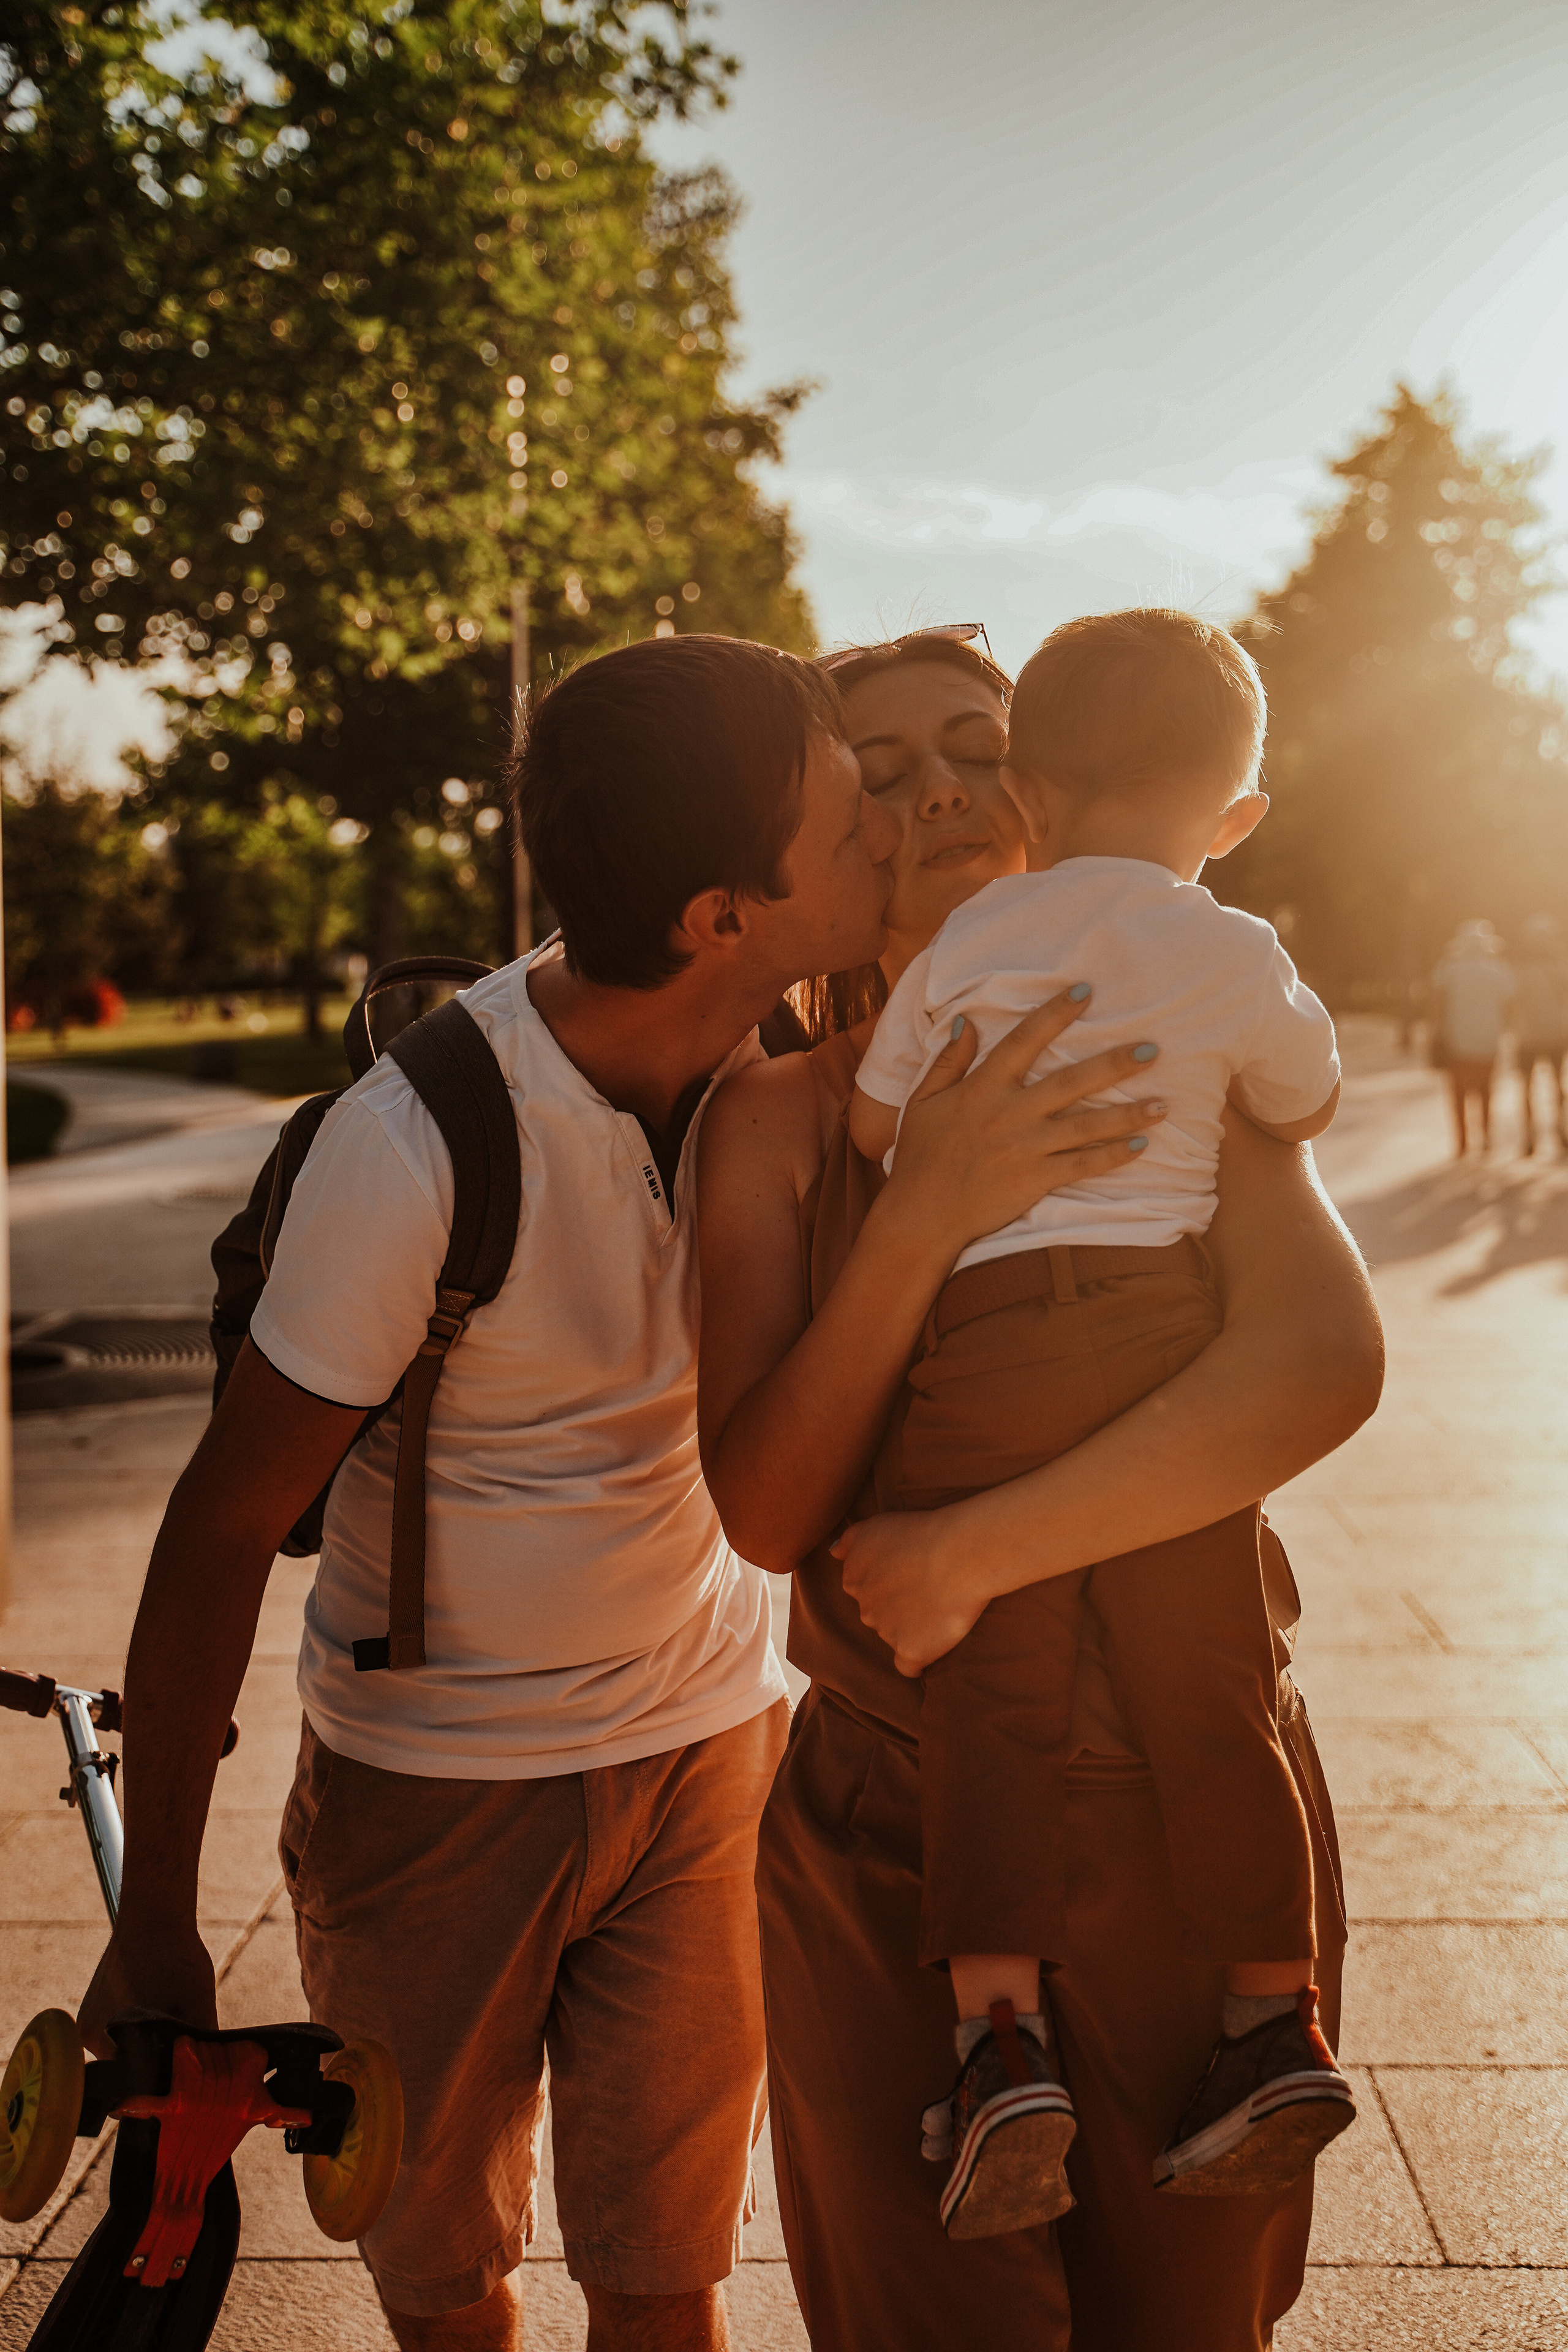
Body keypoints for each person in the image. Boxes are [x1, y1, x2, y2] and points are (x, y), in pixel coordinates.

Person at [76, 633, 1140, 2352]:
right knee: (454, 2286)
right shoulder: (420, 1146)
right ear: (728, 914)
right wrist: (156, 1929)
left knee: (667, 2281)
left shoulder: (800, 1044)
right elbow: (215, 1528)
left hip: (704, 1756)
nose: (890, 828)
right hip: (439, 1801)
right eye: (847, 811)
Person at [697, 627, 1383, 2351]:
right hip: (890, 1829)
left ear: (1042, 792)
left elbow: (1321, 1364)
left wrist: (978, 1548)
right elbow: (771, 1515)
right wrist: (929, 1207)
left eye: (971, 745)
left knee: (1192, 2325)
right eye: (882, 764)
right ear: (829, 825)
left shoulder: (1162, 1050)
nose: (937, 788)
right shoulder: (780, 1122)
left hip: (1190, 1796)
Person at [846, 612, 1349, 2236]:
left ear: (1033, 793)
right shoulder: (1237, 944)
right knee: (1214, 1684)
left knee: (992, 1693)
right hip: (1160, 1339)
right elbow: (1301, 1096)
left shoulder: (967, 953)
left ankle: (1003, 2047)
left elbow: (877, 1124)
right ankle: (1271, 2015)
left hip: (990, 1348)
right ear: (1236, 817)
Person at [1429, 918, 1514, 1158]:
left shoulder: (1449, 969)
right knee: (1487, 1090)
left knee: (1458, 1092)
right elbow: (1510, 1002)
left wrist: (1436, 1029)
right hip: (1490, 1039)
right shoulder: (1498, 970)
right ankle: (1486, 1137)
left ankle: (1462, 1142)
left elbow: (1437, 1002)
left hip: (1457, 1039)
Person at [1510, 913, 1568, 1158]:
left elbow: (1509, 1002)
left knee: (1527, 1087)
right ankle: (1561, 1134)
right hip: (1557, 1032)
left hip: (1527, 1034)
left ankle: (1530, 1137)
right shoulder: (1562, 967)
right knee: (1557, 1084)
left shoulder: (1519, 970)